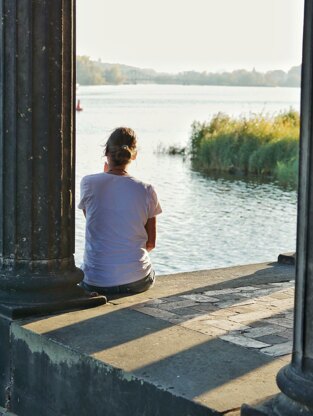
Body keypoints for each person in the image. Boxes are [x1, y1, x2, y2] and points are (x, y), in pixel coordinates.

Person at [78, 127, 162, 295]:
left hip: (95, 281)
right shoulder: (147, 190)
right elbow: (151, 243)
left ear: (106, 152)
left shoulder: (89, 183)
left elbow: (95, 221)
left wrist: (106, 176)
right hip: (136, 280)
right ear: (134, 154)